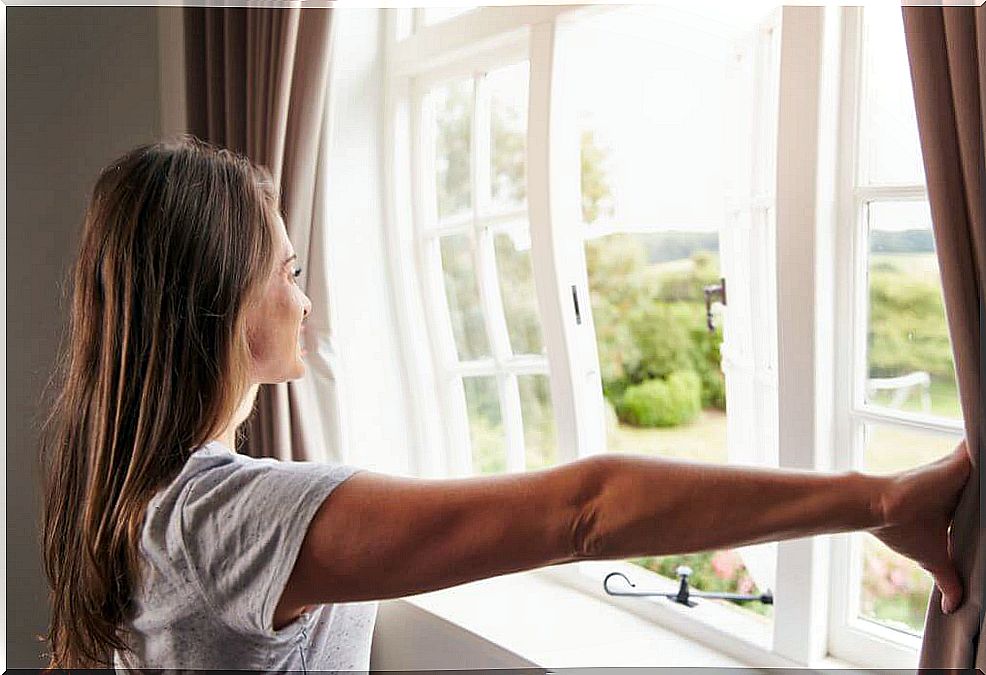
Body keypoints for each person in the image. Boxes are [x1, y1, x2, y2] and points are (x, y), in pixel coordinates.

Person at [39, 136, 972, 670]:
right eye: (287, 270)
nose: (306, 294)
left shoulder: (136, 483)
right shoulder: (224, 514)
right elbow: (585, 511)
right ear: (222, 304)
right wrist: (880, 501)